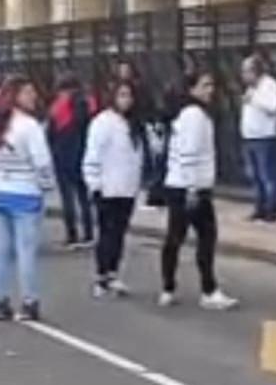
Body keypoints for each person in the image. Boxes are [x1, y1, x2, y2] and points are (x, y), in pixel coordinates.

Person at [0, 76, 55, 322]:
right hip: (25, 192)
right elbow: (42, 162)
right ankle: (30, 301)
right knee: (26, 251)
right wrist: (45, 186)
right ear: (16, 96)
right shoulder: (29, 126)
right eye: (28, 92)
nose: (33, 97)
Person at [160, 70, 239, 311]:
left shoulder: (187, 114)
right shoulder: (194, 115)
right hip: (191, 187)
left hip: (181, 185)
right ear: (192, 89)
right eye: (205, 85)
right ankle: (208, 290)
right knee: (205, 237)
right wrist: (193, 189)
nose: (210, 90)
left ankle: (168, 288)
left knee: (176, 237)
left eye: (211, 85)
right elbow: (189, 153)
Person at [83, 80, 145, 298]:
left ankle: (113, 273)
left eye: (129, 95)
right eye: (121, 95)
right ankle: (101, 277)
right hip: (107, 188)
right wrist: (95, 184)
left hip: (126, 188)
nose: (126, 100)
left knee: (119, 233)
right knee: (107, 233)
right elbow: (93, 155)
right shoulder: (102, 123)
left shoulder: (132, 124)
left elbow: (136, 157)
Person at [48, 72, 97, 249]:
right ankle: (89, 233)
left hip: (63, 153)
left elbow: (51, 133)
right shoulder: (89, 103)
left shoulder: (58, 106)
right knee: (84, 196)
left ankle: (72, 234)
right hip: (83, 152)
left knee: (67, 197)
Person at [240, 55, 276, 224]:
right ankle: (259, 208)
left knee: (267, 175)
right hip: (250, 137)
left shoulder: (269, 85)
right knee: (254, 176)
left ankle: (271, 210)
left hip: (265, 137)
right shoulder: (251, 88)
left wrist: (254, 100)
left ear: (255, 71)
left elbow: (273, 107)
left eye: (246, 71)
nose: (243, 75)